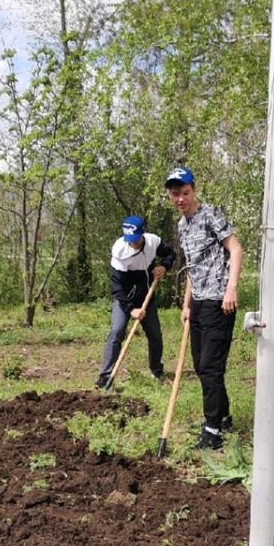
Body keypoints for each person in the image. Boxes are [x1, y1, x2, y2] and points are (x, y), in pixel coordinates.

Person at [165, 167, 243, 449]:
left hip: (219, 301)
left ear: (193, 190)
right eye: (175, 195)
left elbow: (235, 248)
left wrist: (231, 287)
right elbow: (192, 268)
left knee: (211, 366)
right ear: (170, 196)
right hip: (198, 301)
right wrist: (187, 304)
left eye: (185, 193)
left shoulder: (210, 214)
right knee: (201, 366)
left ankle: (212, 431)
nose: (181, 199)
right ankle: (222, 416)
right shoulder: (182, 226)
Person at [95, 215, 175, 389]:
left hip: (147, 296)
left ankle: (156, 371)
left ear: (143, 233)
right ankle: (105, 376)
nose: (133, 243)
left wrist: (164, 267)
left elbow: (170, 254)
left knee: (155, 335)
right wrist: (131, 309)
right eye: (129, 239)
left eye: (136, 239)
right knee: (116, 332)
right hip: (124, 299)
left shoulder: (153, 241)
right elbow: (118, 288)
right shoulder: (120, 251)